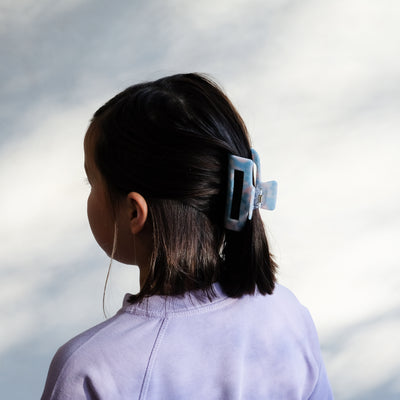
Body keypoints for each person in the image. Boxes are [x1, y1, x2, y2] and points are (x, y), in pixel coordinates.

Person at [41, 73, 333, 399]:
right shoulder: (286, 315)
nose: (89, 193)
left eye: (91, 181)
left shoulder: (89, 371)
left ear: (134, 212)